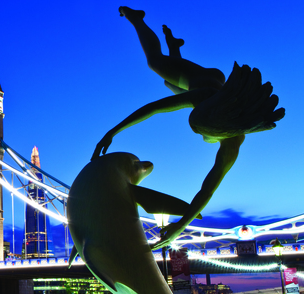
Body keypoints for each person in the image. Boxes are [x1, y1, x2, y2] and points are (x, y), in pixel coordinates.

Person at [93, 7, 284, 249]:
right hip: (204, 79)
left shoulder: (233, 142)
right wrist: (113, 131)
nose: (201, 137)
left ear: (221, 134)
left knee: (167, 81)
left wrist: (180, 226)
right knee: (155, 62)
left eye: (202, 133)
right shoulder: (203, 97)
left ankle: (174, 46)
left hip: (209, 86)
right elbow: (153, 108)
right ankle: (137, 19)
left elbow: (207, 189)